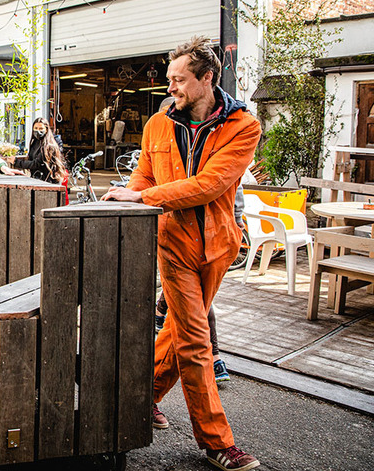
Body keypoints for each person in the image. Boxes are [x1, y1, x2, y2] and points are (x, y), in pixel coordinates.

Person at [101, 36, 261, 471]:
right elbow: (144, 175)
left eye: (179, 79)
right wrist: (129, 194)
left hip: (219, 245)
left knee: (179, 329)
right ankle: (216, 442)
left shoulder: (244, 125)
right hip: (173, 243)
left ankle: (142, 396)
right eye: (169, 79)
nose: (170, 87)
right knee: (194, 338)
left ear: (207, 78)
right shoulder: (158, 123)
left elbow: (211, 184)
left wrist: (143, 196)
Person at [151, 96, 230, 384]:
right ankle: (213, 359)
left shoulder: (205, 149)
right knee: (192, 307)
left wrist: (234, 224)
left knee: (194, 308)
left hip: (208, 241)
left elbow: (223, 192)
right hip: (173, 238)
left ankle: (212, 359)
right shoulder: (163, 149)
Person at [9, 116, 67, 184]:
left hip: (48, 180)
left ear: (46, 129)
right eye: (36, 128)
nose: (38, 131)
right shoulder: (35, 142)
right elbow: (31, 159)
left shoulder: (49, 145)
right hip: (38, 178)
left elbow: (36, 164)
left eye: (41, 128)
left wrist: (16, 162)